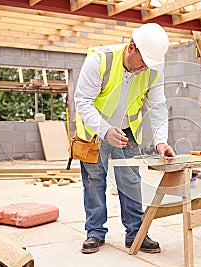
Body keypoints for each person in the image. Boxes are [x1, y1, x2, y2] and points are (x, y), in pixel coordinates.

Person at [74, 23, 176, 254]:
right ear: (131, 48)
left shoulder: (153, 68)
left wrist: (161, 140)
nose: (144, 69)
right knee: (94, 180)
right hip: (94, 131)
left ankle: (135, 234)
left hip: (127, 131)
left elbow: (158, 106)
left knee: (130, 181)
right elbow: (82, 101)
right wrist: (105, 130)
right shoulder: (100, 60)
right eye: (142, 62)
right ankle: (95, 232)